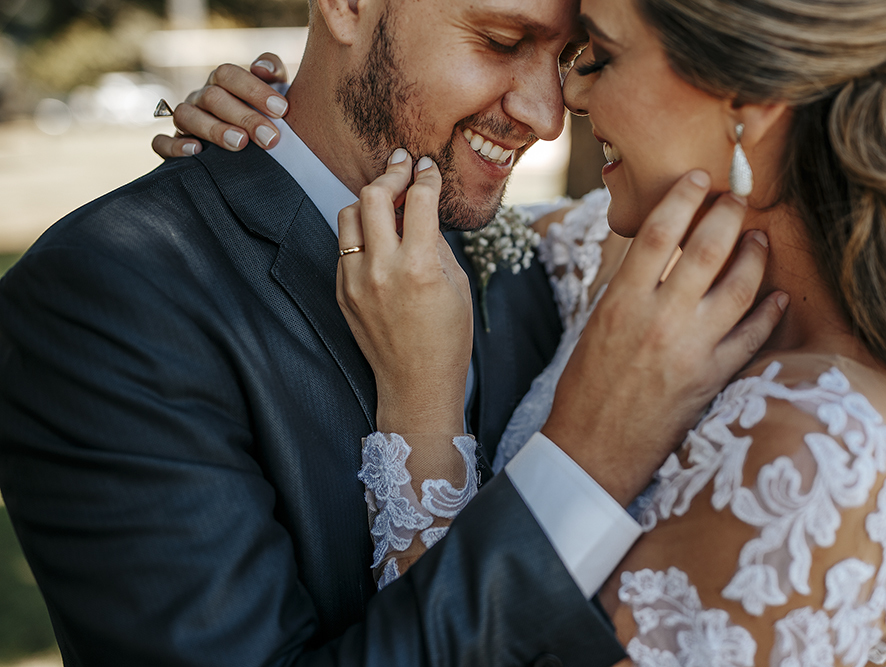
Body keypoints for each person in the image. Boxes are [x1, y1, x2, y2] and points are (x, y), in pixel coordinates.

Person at [174, 0, 886, 663]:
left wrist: (423, 413)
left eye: (599, 52)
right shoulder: (614, 260)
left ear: (749, 99)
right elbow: (410, 218)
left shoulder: (817, 447)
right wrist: (281, 136)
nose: (564, 100)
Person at [0, 0, 786, 664]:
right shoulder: (109, 296)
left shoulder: (545, 255)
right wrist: (587, 460)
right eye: (501, 43)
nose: (548, 117)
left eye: (570, 54)